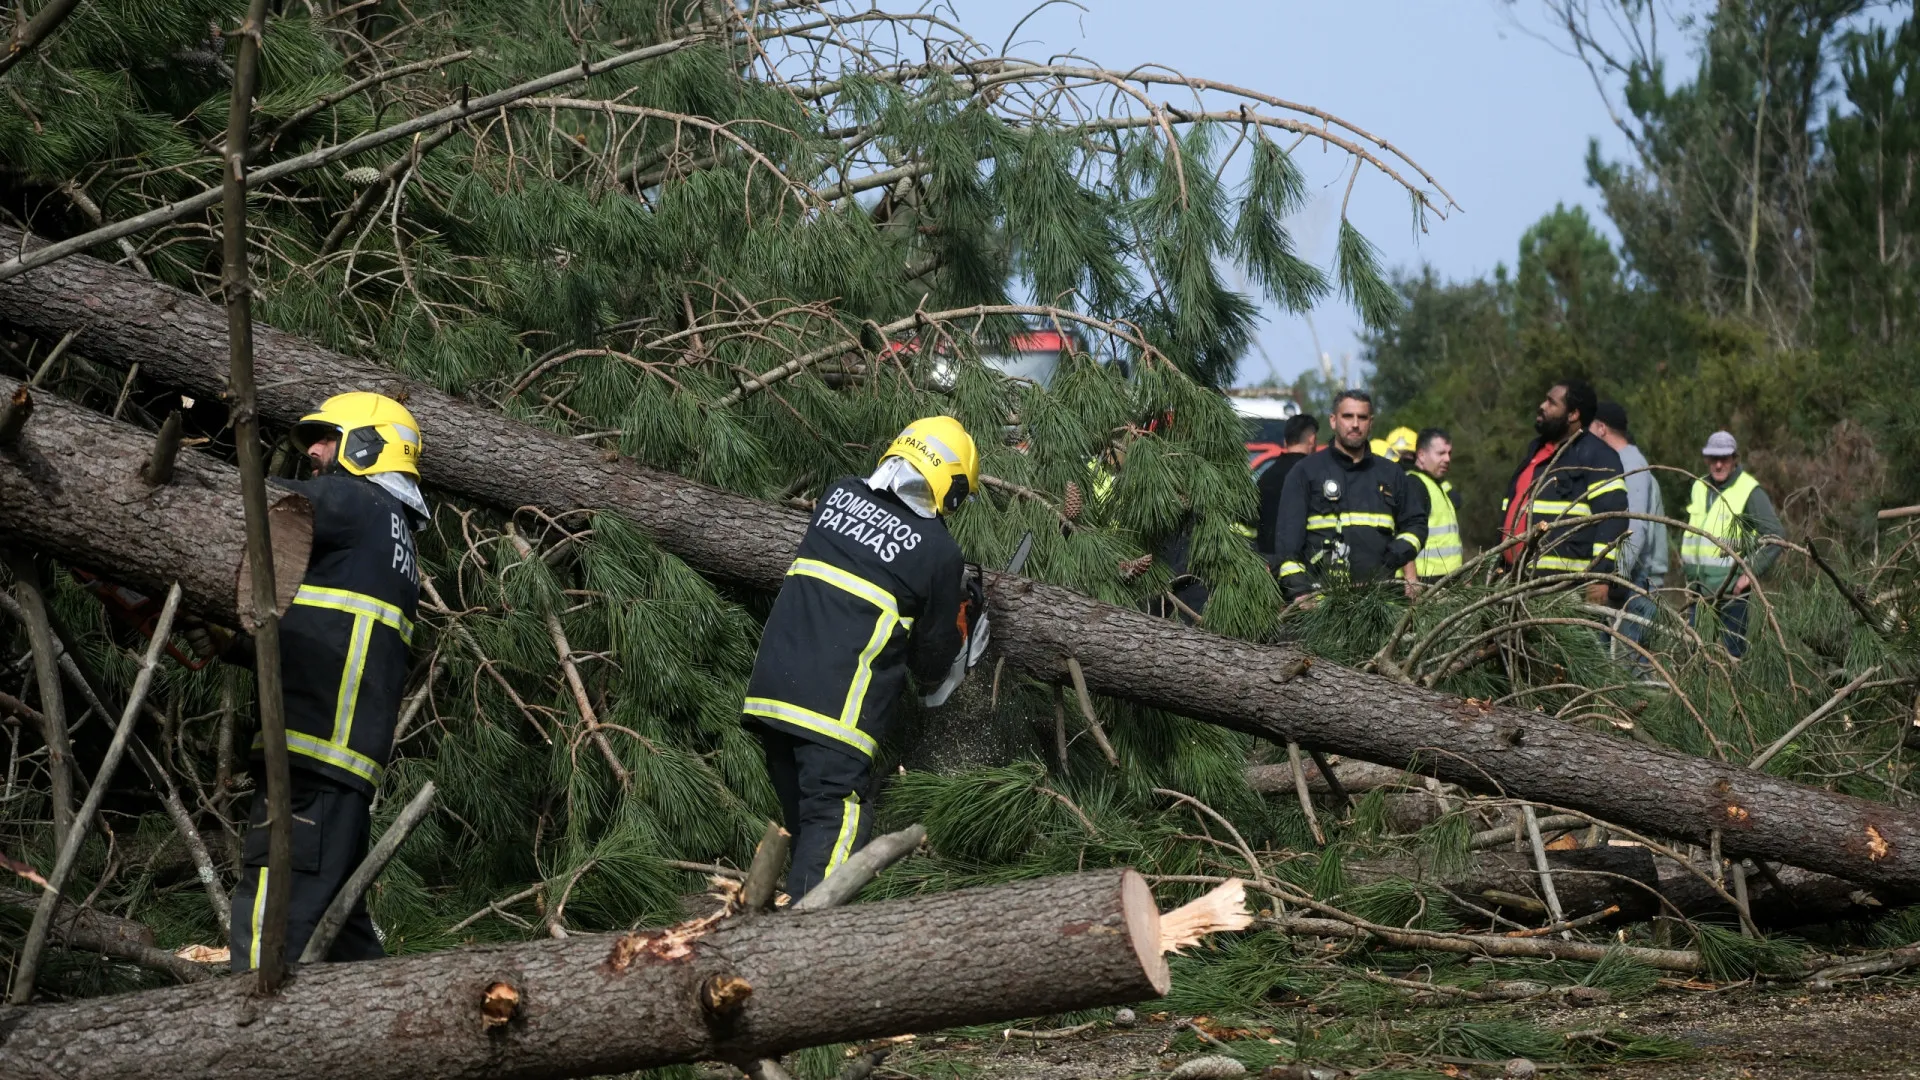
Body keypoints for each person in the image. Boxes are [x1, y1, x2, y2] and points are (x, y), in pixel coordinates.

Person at [227, 392, 430, 971]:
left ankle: (252, 1028)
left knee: (271, 933)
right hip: (339, 763)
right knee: (341, 941)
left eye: (328, 438)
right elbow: (325, 631)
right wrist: (230, 640)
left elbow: (248, 509)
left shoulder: (350, 500)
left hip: (312, 756)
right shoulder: (391, 533)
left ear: (368, 447)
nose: (313, 452)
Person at [743, 417, 985, 899]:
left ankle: (777, 925)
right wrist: (958, 624)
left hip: (773, 696)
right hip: (835, 713)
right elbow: (931, 663)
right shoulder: (940, 551)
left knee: (808, 833)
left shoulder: (839, 494)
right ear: (951, 487)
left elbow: (870, 565)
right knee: (838, 823)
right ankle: (805, 941)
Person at [1272, 390, 1427, 601]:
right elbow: (1287, 545)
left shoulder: (1391, 474)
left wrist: (1395, 555)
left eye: (1362, 417)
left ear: (1371, 423)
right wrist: (1300, 592)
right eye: (1347, 416)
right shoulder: (1306, 472)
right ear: (1333, 421)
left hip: (1380, 601)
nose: (1355, 424)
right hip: (1322, 604)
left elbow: (1416, 524)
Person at [1498, 379, 1628, 605]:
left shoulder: (1598, 456)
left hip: (1564, 590)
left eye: (1551, 403)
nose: (1542, 406)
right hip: (1516, 583)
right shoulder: (1535, 452)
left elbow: (1612, 518)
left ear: (1573, 414)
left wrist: (1601, 576)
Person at [1681, 431, 1783, 659]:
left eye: (1724, 459)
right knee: (1697, 655)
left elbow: (1776, 535)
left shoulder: (1749, 490)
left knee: (1732, 656)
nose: (1718, 465)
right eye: (1713, 458)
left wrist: (1749, 574)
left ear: (1735, 459)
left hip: (1732, 594)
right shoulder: (1699, 486)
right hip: (1699, 590)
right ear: (1706, 459)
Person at [1588, 402, 1667, 647]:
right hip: (1629, 583)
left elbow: (1634, 530)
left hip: (1634, 586)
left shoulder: (1629, 465)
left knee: (1628, 663)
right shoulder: (1626, 461)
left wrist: (1613, 581)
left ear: (1601, 428)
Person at [1254, 412, 1319, 566]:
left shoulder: (1266, 476)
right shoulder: (1314, 476)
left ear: (1285, 441)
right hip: (1302, 567)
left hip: (1266, 565)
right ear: (1312, 439)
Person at [1402, 427, 1460, 586]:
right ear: (1421, 455)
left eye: (1449, 453)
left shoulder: (1435, 484)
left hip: (1446, 579)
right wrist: (1411, 579)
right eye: (1441, 453)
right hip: (1425, 581)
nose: (1447, 459)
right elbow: (1404, 533)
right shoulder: (1414, 484)